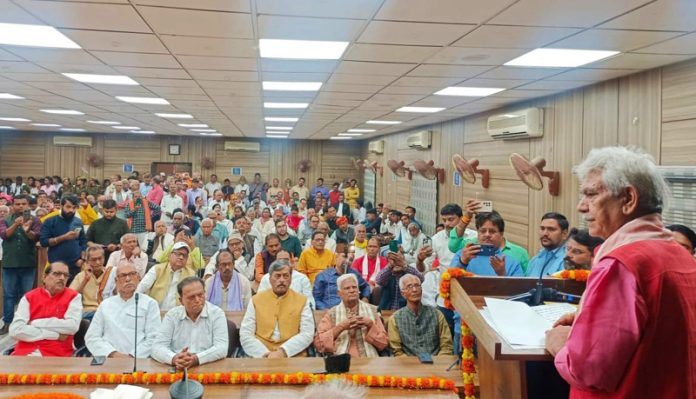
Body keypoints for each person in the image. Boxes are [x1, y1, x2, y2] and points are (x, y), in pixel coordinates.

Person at [545, 146, 696, 398]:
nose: (582, 207)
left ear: (628, 199)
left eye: (591, 194)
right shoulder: (680, 255)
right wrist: (586, 321)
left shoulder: (621, 264)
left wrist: (560, 344)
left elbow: (589, 369)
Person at [85, 262, 161, 358]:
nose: (128, 279)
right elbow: (92, 337)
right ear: (116, 281)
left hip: (139, 361)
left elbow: (154, 338)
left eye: (132, 274)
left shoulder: (150, 304)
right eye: (123, 275)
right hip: (109, 360)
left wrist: (132, 357)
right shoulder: (105, 305)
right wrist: (113, 354)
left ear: (138, 278)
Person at [240, 260, 314, 358]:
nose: (282, 280)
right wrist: (265, 354)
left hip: (293, 354)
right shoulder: (256, 300)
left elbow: (307, 334)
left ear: (291, 279)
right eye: (277, 276)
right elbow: (246, 334)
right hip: (260, 355)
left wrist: (283, 351)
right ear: (270, 279)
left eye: (286, 276)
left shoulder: (302, 301)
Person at [152, 277, 229, 370]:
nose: (197, 300)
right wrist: (174, 358)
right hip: (177, 368)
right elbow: (157, 347)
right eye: (191, 297)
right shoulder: (172, 316)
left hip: (207, 368)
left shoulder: (216, 313)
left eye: (200, 295)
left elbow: (222, 348)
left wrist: (196, 359)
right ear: (181, 301)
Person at [9, 262, 83, 356]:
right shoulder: (29, 297)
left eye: (66, 275)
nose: (62, 278)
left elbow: (72, 327)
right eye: (57, 274)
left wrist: (34, 323)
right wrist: (55, 335)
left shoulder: (74, 297)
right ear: (44, 277)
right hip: (25, 352)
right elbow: (15, 330)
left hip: (57, 355)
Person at [314, 273, 388, 357]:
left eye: (354, 287)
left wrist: (370, 325)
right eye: (347, 288)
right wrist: (341, 327)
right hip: (340, 361)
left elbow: (383, 343)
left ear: (358, 290)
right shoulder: (331, 314)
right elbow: (319, 344)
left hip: (369, 361)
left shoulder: (373, 311)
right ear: (339, 293)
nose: (352, 290)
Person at [0, 194, 42, 335]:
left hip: (28, 263)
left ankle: (27, 322)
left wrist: (27, 230)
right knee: (9, 294)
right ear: (13, 206)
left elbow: (36, 237)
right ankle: (8, 323)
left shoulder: (35, 220)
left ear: (28, 205)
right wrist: (16, 224)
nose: (20, 206)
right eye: (17, 204)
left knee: (27, 295)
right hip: (9, 263)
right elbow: (5, 235)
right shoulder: (4, 220)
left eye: (23, 204)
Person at [449, 199, 528, 272]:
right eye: (483, 231)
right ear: (478, 232)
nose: (487, 235)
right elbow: (453, 245)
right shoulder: (468, 249)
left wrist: (502, 275)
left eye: (492, 231)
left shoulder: (519, 255)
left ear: (501, 233)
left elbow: (525, 284)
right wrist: (462, 262)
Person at [387, 274, 453, 357]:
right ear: (403, 293)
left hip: (436, 364)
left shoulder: (437, 314)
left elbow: (446, 346)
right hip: (408, 365)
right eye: (409, 286)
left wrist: (437, 363)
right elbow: (396, 351)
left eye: (417, 286)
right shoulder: (395, 319)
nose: (414, 290)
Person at [138, 242, 197, 311]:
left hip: (179, 315)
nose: (181, 257)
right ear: (169, 255)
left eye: (184, 255)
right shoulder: (157, 269)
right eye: (178, 254)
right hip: (156, 312)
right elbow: (141, 288)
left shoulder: (192, 274)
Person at [39, 195, 87, 279]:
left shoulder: (78, 221)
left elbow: (83, 241)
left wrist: (82, 259)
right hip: (56, 266)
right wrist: (64, 237)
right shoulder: (50, 221)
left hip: (75, 266)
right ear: (61, 206)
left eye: (74, 207)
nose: (71, 210)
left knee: (73, 291)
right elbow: (44, 242)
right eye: (68, 207)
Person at [69, 246, 112, 319]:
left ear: (104, 258)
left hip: (107, 311)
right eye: (94, 260)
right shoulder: (81, 276)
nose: (97, 262)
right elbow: (70, 297)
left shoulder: (111, 273)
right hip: (88, 312)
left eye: (100, 258)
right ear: (87, 261)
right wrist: (85, 280)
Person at [526, 213, 569, 277]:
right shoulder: (535, 259)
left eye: (551, 229)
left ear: (564, 234)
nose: (545, 233)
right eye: (542, 229)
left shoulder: (568, 260)